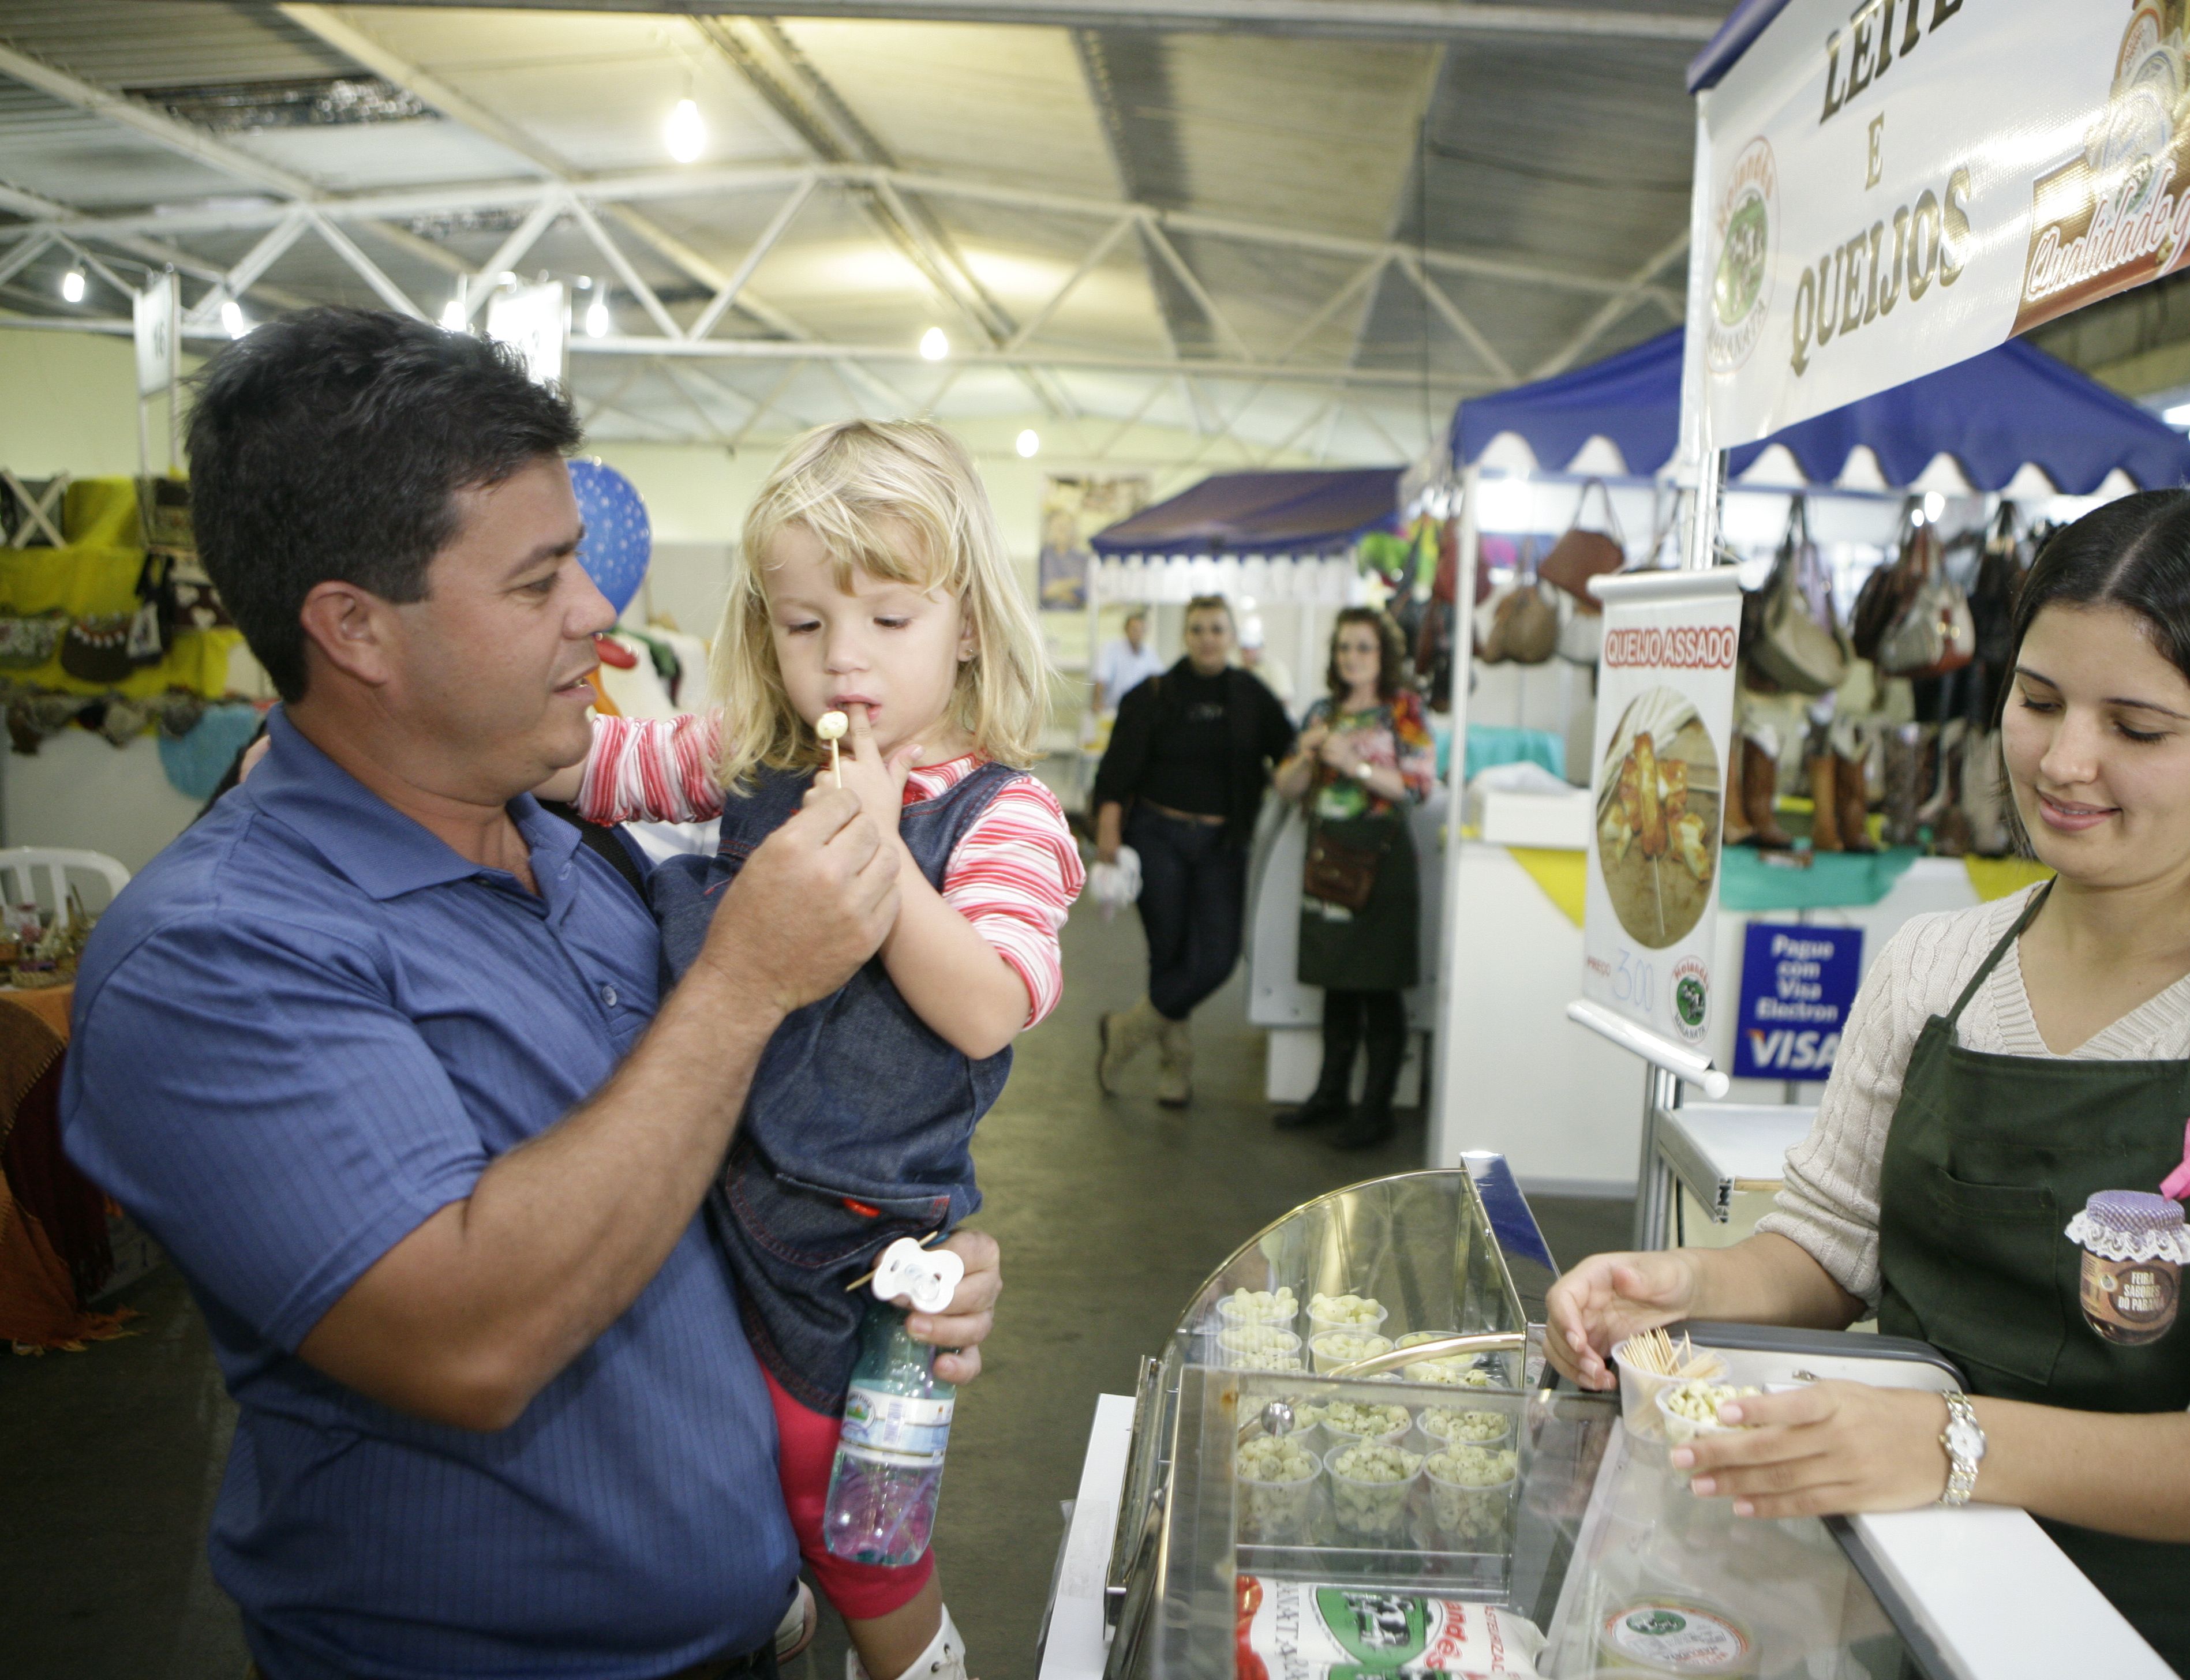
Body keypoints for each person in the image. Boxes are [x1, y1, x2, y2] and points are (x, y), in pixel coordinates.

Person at [59, 309, 1005, 1680]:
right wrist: (746, 978)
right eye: (536, 580)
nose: (597, 610)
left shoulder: (584, 856)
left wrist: (888, 1254)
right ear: (356, 629)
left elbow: (707, 1166)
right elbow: (472, 1341)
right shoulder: (215, 955)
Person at [1544, 491, 2190, 1680]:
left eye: (2137, 726)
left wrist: (1950, 1443)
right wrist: (1686, 1286)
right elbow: (1825, 1247)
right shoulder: (1936, 965)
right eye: (2038, 701)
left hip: (2161, 1643)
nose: (2064, 762)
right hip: (1903, 1598)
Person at [546, 419, 1081, 1680]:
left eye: (889, 619)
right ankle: (770, 1613)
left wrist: (879, 846)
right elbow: (592, 765)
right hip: (707, 1194)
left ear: (966, 626)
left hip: (856, 1245)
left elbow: (991, 1003)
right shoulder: (744, 756)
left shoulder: (1003, 810)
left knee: (845, 1503)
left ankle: (919, 1655)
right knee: (710, 1454)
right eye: (804, 625)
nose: (845, 659)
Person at [1091, 594, 1295, 1105]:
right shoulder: (1154, 694)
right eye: (1199, 629)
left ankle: (1125, 1031)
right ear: (1185, 635)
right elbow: (1115, 772)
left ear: (1232, 637)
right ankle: (1176, 1068)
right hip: (1156, 836)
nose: (1208, 639)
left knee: (1218, 958)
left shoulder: (1252, 695)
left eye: (1217, 629)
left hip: (1223, 843)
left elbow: (1288, 752)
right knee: (1169, 953)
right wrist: (1108, 831)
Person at [1271, 609, 1433, 1149]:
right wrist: (1307, 758)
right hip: (1329, 859)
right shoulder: (1322, 712)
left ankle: (1376, 1109)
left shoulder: (1403, 712)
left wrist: (1356, 766)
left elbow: (1419, 787)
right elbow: (1287, 787)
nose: (1352, 657)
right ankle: (1330, 1095)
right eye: (1344, 647)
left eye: (1363, 647)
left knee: (1378, 986)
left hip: (1382, 861)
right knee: (1335, 980)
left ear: (1383, 655)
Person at [1090, 608, 1165, 715]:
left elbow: (1159, 679)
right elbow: (1101, 678)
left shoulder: (1150, 653)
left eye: (1142, 630)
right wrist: (1097, 702)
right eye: (1134, 629)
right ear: (1126, 629)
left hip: (1142, 711)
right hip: (1114, 710)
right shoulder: (1111, 649)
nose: (1138, 633)